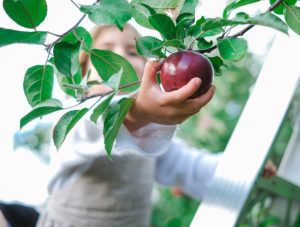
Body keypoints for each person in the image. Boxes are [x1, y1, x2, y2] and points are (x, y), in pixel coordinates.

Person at [36, 24, 276, 227]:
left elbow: (192, 168)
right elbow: (96, 124)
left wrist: (244, 167)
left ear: (148, 73)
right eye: (105, 51)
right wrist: (138, 112)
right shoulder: (74, 118)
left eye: (132, 52)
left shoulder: (150, 136)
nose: (120, 56)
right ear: (83, 72)